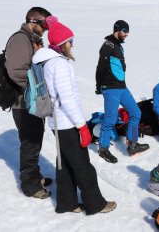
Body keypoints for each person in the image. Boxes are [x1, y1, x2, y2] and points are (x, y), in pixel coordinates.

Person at [32, 16, 116, 214]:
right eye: (70, 41)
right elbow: (67, 99)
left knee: (65, 163)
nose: (72, 44)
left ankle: (67, 202)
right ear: (63, 43)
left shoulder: (46, 61)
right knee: (82, 165)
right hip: (67, 123)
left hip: (56, 122)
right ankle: (95, 203)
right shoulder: (59, 64)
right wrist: (81, 126)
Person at [5, 7, 53, 199]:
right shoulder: (20, 39)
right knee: (30, 143)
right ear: (33, 21)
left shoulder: (32, 40)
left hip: (33, 101)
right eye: (44, 25)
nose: (46, 30)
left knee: (35, 140)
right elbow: (16, 71)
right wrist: (37, 89)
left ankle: (35, 175)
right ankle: (31, 185)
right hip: (24, 102)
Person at [95, 20, 149, 163]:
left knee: (136, 112)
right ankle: (103, 148)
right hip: (110, 87)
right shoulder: (108, 45)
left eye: (127, 32)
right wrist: (99, 85)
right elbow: (101, 66)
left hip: (121, 86)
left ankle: (132, 144)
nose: (126, 34)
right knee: (110, 119)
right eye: (124, 31)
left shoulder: (118, 45)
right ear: (117, 30)